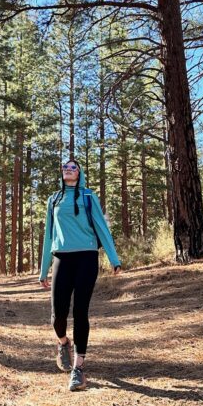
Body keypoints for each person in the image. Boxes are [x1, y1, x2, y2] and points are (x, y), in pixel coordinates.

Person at [39, 159, 122, 392]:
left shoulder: (88, 197)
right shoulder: (53, 199)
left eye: (73, 167)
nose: (68, 170)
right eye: (65, 167)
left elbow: (102, 228)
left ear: (80, 173)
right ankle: (63, 342)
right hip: (62, 258)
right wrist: (44, 269)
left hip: (86, 257)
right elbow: (49, 235)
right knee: (58, 315)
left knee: (80, 311)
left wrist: (114, 259)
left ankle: (78, 369)